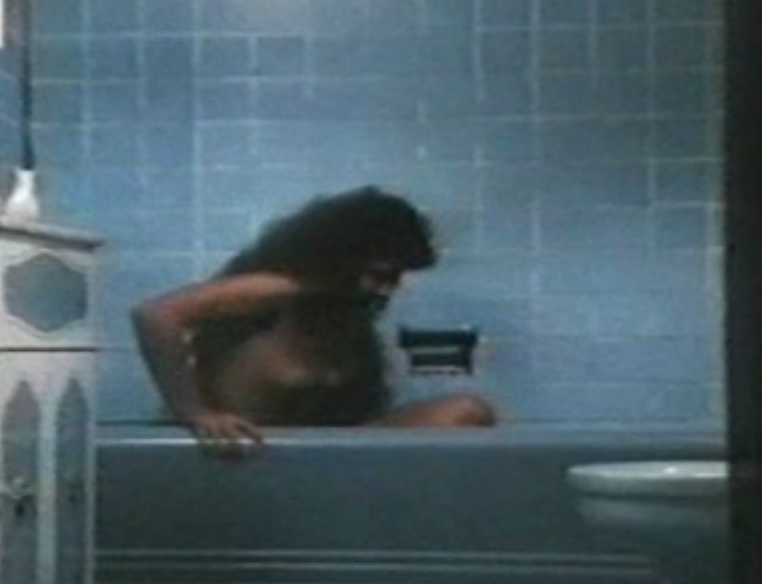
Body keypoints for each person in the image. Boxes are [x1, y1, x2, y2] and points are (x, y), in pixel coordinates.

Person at [131, 186, 497, 456]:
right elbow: (155, 314)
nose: (389, 289)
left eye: (396, 276)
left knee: (467, 412)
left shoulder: (346, 306)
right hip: (252, 450)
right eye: (381, 274)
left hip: (320, 453)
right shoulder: (286, 287)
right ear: (346, 259)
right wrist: (194, 414)